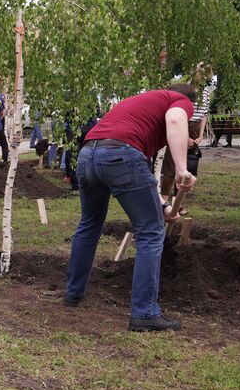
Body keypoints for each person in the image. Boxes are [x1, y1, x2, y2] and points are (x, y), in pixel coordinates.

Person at [63, 84, 199, 331]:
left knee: (90, 224)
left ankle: (73, 294)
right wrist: (182, 169)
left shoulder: (142, 105)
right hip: (120, 154)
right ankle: (144, 313)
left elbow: (139, 173)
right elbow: (175, 120)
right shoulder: (179, 101)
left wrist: (163, 205)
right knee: (151, 232)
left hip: (88, 154)